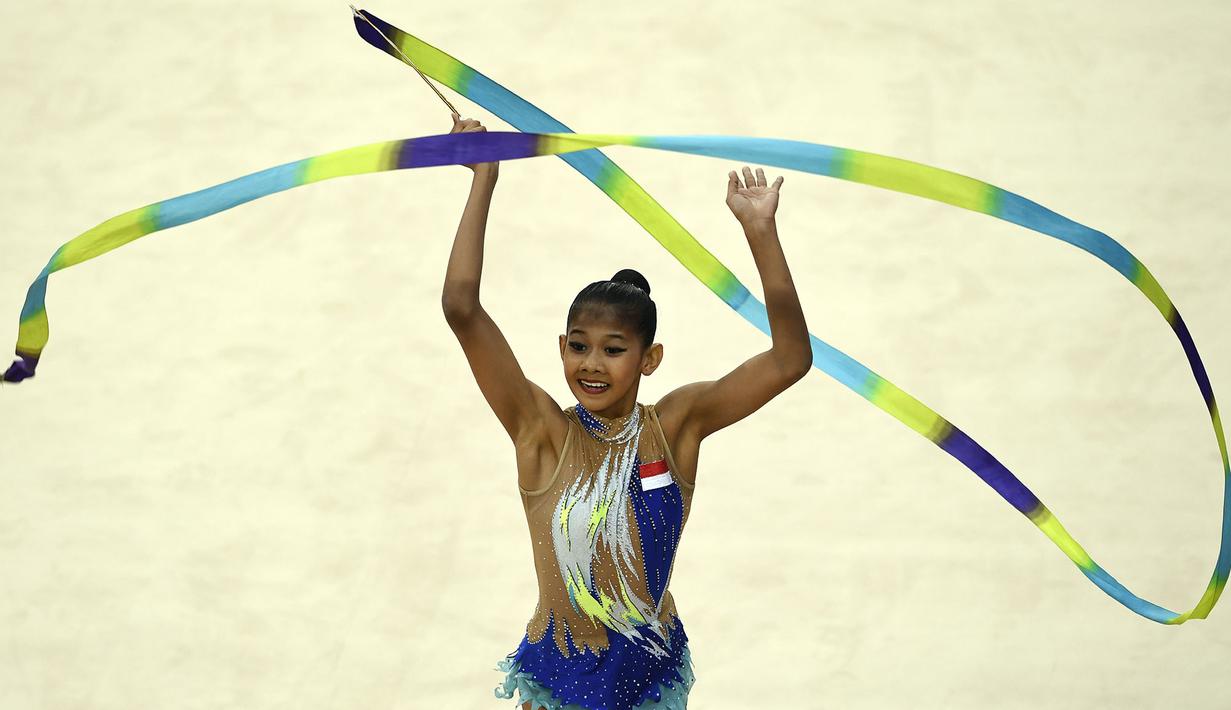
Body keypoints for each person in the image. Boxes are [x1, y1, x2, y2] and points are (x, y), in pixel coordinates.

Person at [442, 113, 812, 710]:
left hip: (648, 687)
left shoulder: (676, 427)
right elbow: (462, 308)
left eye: (614, 351)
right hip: (560, 686)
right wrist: (483, 178)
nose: (592, 364)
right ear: (561, 348)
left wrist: (760, 233)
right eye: (579, 346)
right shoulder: (541, 432)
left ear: (650, 358)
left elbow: (791, 359)